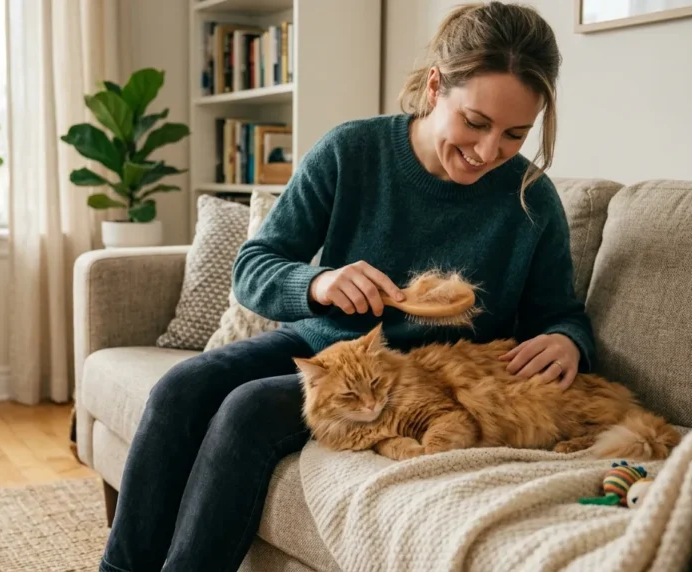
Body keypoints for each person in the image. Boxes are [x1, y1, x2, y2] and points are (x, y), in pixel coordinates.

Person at [99, 3, 595, 571]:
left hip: (433, 378)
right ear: (436, 87)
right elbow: (254, 266)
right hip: (327, 347)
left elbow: (562, 313)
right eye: (476, 123)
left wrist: (566, 340)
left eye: (515, 134)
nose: (488, 152)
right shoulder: (352, 151)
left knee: (247, 411)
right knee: (180, 388)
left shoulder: (532, 200)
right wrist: (319, 283)